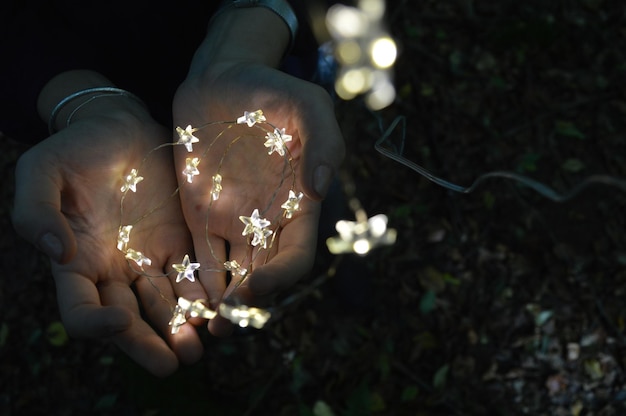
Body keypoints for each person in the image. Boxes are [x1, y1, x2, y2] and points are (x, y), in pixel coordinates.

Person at [1, 0, 345, 377]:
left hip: (270, 75)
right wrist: (80, 99)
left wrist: (246, 40)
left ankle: (337, 262)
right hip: (102, 92)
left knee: (306, 186)